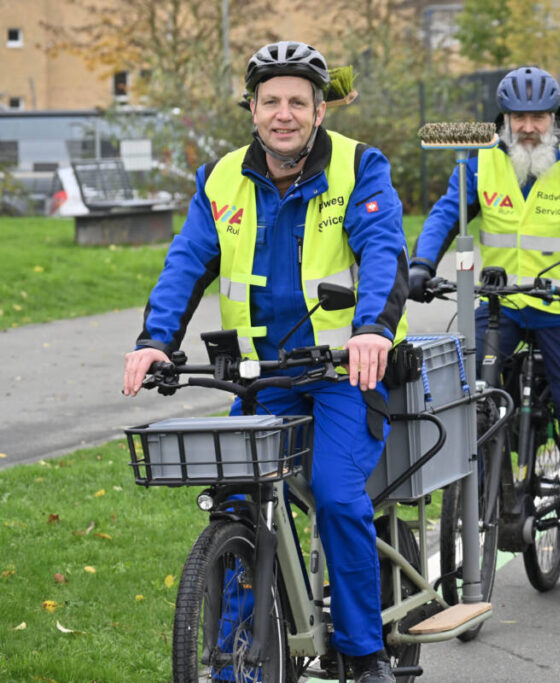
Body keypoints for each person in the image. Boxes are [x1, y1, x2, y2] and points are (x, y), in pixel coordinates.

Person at [122, 41, 408, 681]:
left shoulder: (359, 167)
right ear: (252, 109)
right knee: (234, 507)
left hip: (343, 372)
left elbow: (384, 248)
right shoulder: (221, 177)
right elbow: (187, 263)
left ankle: (364, 654)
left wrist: (373, 330)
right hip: (264, 377)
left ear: (319, 110)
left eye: (298, 102)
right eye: (271, 101)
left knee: (336, 497)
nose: (284, 113)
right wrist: (154, 340)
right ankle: (232, 664)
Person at [408, 66, 560, 610]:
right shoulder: (480, 159)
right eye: (518, 118)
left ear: (555, 118)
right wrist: (421, 262)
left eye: (538, 117)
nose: (528, 127)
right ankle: (488, 503)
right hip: (500, 305)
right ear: (503, 120)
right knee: (468, 407)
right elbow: (446, 213)